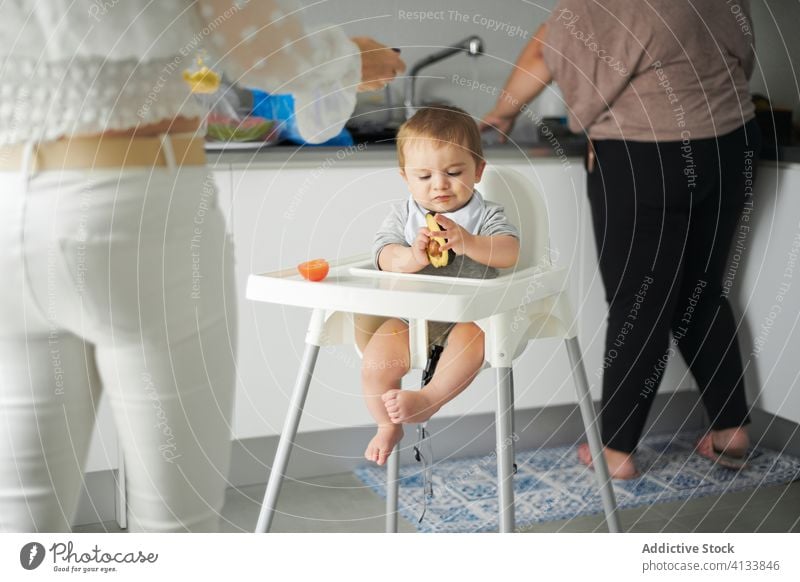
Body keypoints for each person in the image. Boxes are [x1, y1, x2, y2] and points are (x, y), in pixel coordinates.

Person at [0, 0, 404, 532]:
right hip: (134, 210)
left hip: (10, 213)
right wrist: (348, 59)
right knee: (177, 525)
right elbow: (253, 40)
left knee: (23, 519)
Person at [481, 1, 760, 479]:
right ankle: (731, 430)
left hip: (644, 156)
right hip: (732, 147)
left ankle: (616, 451)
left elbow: (545, 51)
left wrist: (501, 115)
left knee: (641, 301)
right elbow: (742, 54)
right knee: (703, 289)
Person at [363, 106, 520, 466]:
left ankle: (429, 399)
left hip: (469, 318)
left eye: (453, 172)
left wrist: (468, 242)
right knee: (375, 362)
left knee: (473, 337)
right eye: (424, 176)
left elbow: (509, 251)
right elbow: (382, 254)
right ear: (405, 178)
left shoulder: (486, 216)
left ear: (478, 171)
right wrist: (411, 258)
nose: (439, 185)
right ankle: (386, 425)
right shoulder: (405, 216)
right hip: (410, 318)